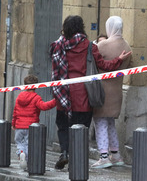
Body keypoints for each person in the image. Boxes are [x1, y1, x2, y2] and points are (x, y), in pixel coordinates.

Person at [50, 15, 132, 170]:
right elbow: (104, 66)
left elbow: (54, 67)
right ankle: (77, 159)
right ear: (81, 27)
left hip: (63, 93)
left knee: (62, 125)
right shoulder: (89, 46)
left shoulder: (58, 45)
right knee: (81, 127)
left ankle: (65, 152)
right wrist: (119, 59)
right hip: (83, 94)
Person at [91, 16, 132, 169]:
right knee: (110, 123)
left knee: (100, 122)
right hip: (117, 91)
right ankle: (115, 155)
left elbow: (94, 63)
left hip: (102, 91)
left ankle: (103, 156)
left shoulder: (102, 45)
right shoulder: (127, 46)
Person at [12, 74, 57, 169]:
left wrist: (14, 124)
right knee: (29, 144)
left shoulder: (19, 97)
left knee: (20, 143)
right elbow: (43, 106)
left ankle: (21, 153)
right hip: (31, 126)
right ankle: (27, 160)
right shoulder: (36, 97)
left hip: (19, 126)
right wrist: (55, 101)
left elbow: (15, 112)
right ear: (36, 86)